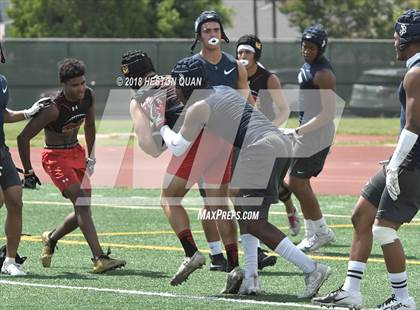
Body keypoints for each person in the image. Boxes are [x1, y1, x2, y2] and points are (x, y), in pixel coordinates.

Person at [145, 55, 332, 296]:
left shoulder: (198, 107)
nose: (176, 92)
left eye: (177, 87)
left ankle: (311, 268)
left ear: (184, 86)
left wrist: (159, 122)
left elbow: (178, 146)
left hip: (261, 149)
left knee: (255, 222)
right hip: (279, 144)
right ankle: (252, 279)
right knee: (247, 215)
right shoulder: (222, 89)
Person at [312, 9, 420, 310]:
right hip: (405, 158)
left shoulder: (416, 72)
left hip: (413, 162)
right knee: (362, 214)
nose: (394, 40)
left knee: (384, 229)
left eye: (397, 34)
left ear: (409, 38)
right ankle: (351, 291)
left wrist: (397, 163)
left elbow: (414, 126)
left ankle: (403, 300)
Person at [122, 50, 240, 291]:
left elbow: (151, 148)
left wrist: (160, 129)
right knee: (219, 204)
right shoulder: (173, 78)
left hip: (195, 140)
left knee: (169, 198)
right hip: (223, 134)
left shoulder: (139, 98)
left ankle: (191, 252)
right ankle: (235, 266)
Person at [17, 58, 126, 274]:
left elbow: (91, 126)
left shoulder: (89, 97)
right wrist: (29, 171)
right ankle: (99, 258)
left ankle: (51, 238)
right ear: (64, 85)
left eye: (83, 83)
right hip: (55, 158)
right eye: (75, 85)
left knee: (82, 210)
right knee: (83, 205)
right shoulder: (53, 110)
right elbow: (22, 138)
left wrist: (91, 157)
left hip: (77, 153)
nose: (81, 88)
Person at [191, 10, 275, 271]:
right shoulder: (191, 66)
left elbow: (246, 103)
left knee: (239, 197)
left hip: (234, 141)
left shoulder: (234, 66)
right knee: (211, 201)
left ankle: (251, 252)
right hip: (205, 142)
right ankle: (217, 255)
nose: (213, 34)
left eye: (216, 30)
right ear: (199, 35)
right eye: (207, 31)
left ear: (222, 34)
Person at [236, 34, 301, 238]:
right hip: (243, 135)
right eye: (239, 52)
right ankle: (249, 230)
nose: (242, 56)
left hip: (266, 137)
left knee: (271, 184)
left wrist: (269, 127)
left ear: (256, 55)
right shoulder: (234, 75)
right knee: (241, 185)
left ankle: (288, 209)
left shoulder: (268, 78)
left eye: (247, 52)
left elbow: (284, 110)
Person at [282, 25, 336, 253]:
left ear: (321, 48)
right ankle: (318, 231)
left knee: (297, 183)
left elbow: (328, 113)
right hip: (308, 131)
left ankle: (318, 233)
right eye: (304, 47)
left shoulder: (323, 74)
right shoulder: (308, 66)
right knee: (300, 183)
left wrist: (300, 130)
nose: (306, 51)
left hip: (317, 133)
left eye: (311, 48)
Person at [0, 44, 46, 275]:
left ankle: (9, 261)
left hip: (1, 150)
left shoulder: (1, 81)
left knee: (15, 202)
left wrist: (27, 112)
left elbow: (3, 113)